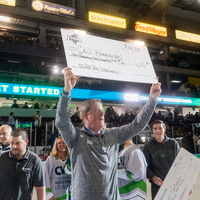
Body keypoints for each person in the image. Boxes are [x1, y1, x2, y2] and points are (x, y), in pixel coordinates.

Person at [55, 67, 161, 200]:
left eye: (102, 110)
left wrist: (152, 100)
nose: (102, 113)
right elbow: (61, 122)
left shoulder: (113, 134)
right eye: (97, 111)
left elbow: (138, 125)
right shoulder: (76, 137)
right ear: (86, 116)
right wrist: (66, 92)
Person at [0, 128, 45, 200]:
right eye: (12, 143)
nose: (14, 146)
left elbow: (40, 187)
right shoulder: (2, 158)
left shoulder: (35, 160)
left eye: (18, 143)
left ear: (26, 142)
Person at [142, 120, 180, 199]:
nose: (158, 130)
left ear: (165, 129)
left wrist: (188, 181)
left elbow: (181, 163)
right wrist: (152, 177)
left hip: (174, 183)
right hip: (158, 185)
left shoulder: (173, 143)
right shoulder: (147, 147)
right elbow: (144, 166)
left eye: (160, 128)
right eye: (155, 129)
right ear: (152, 131)